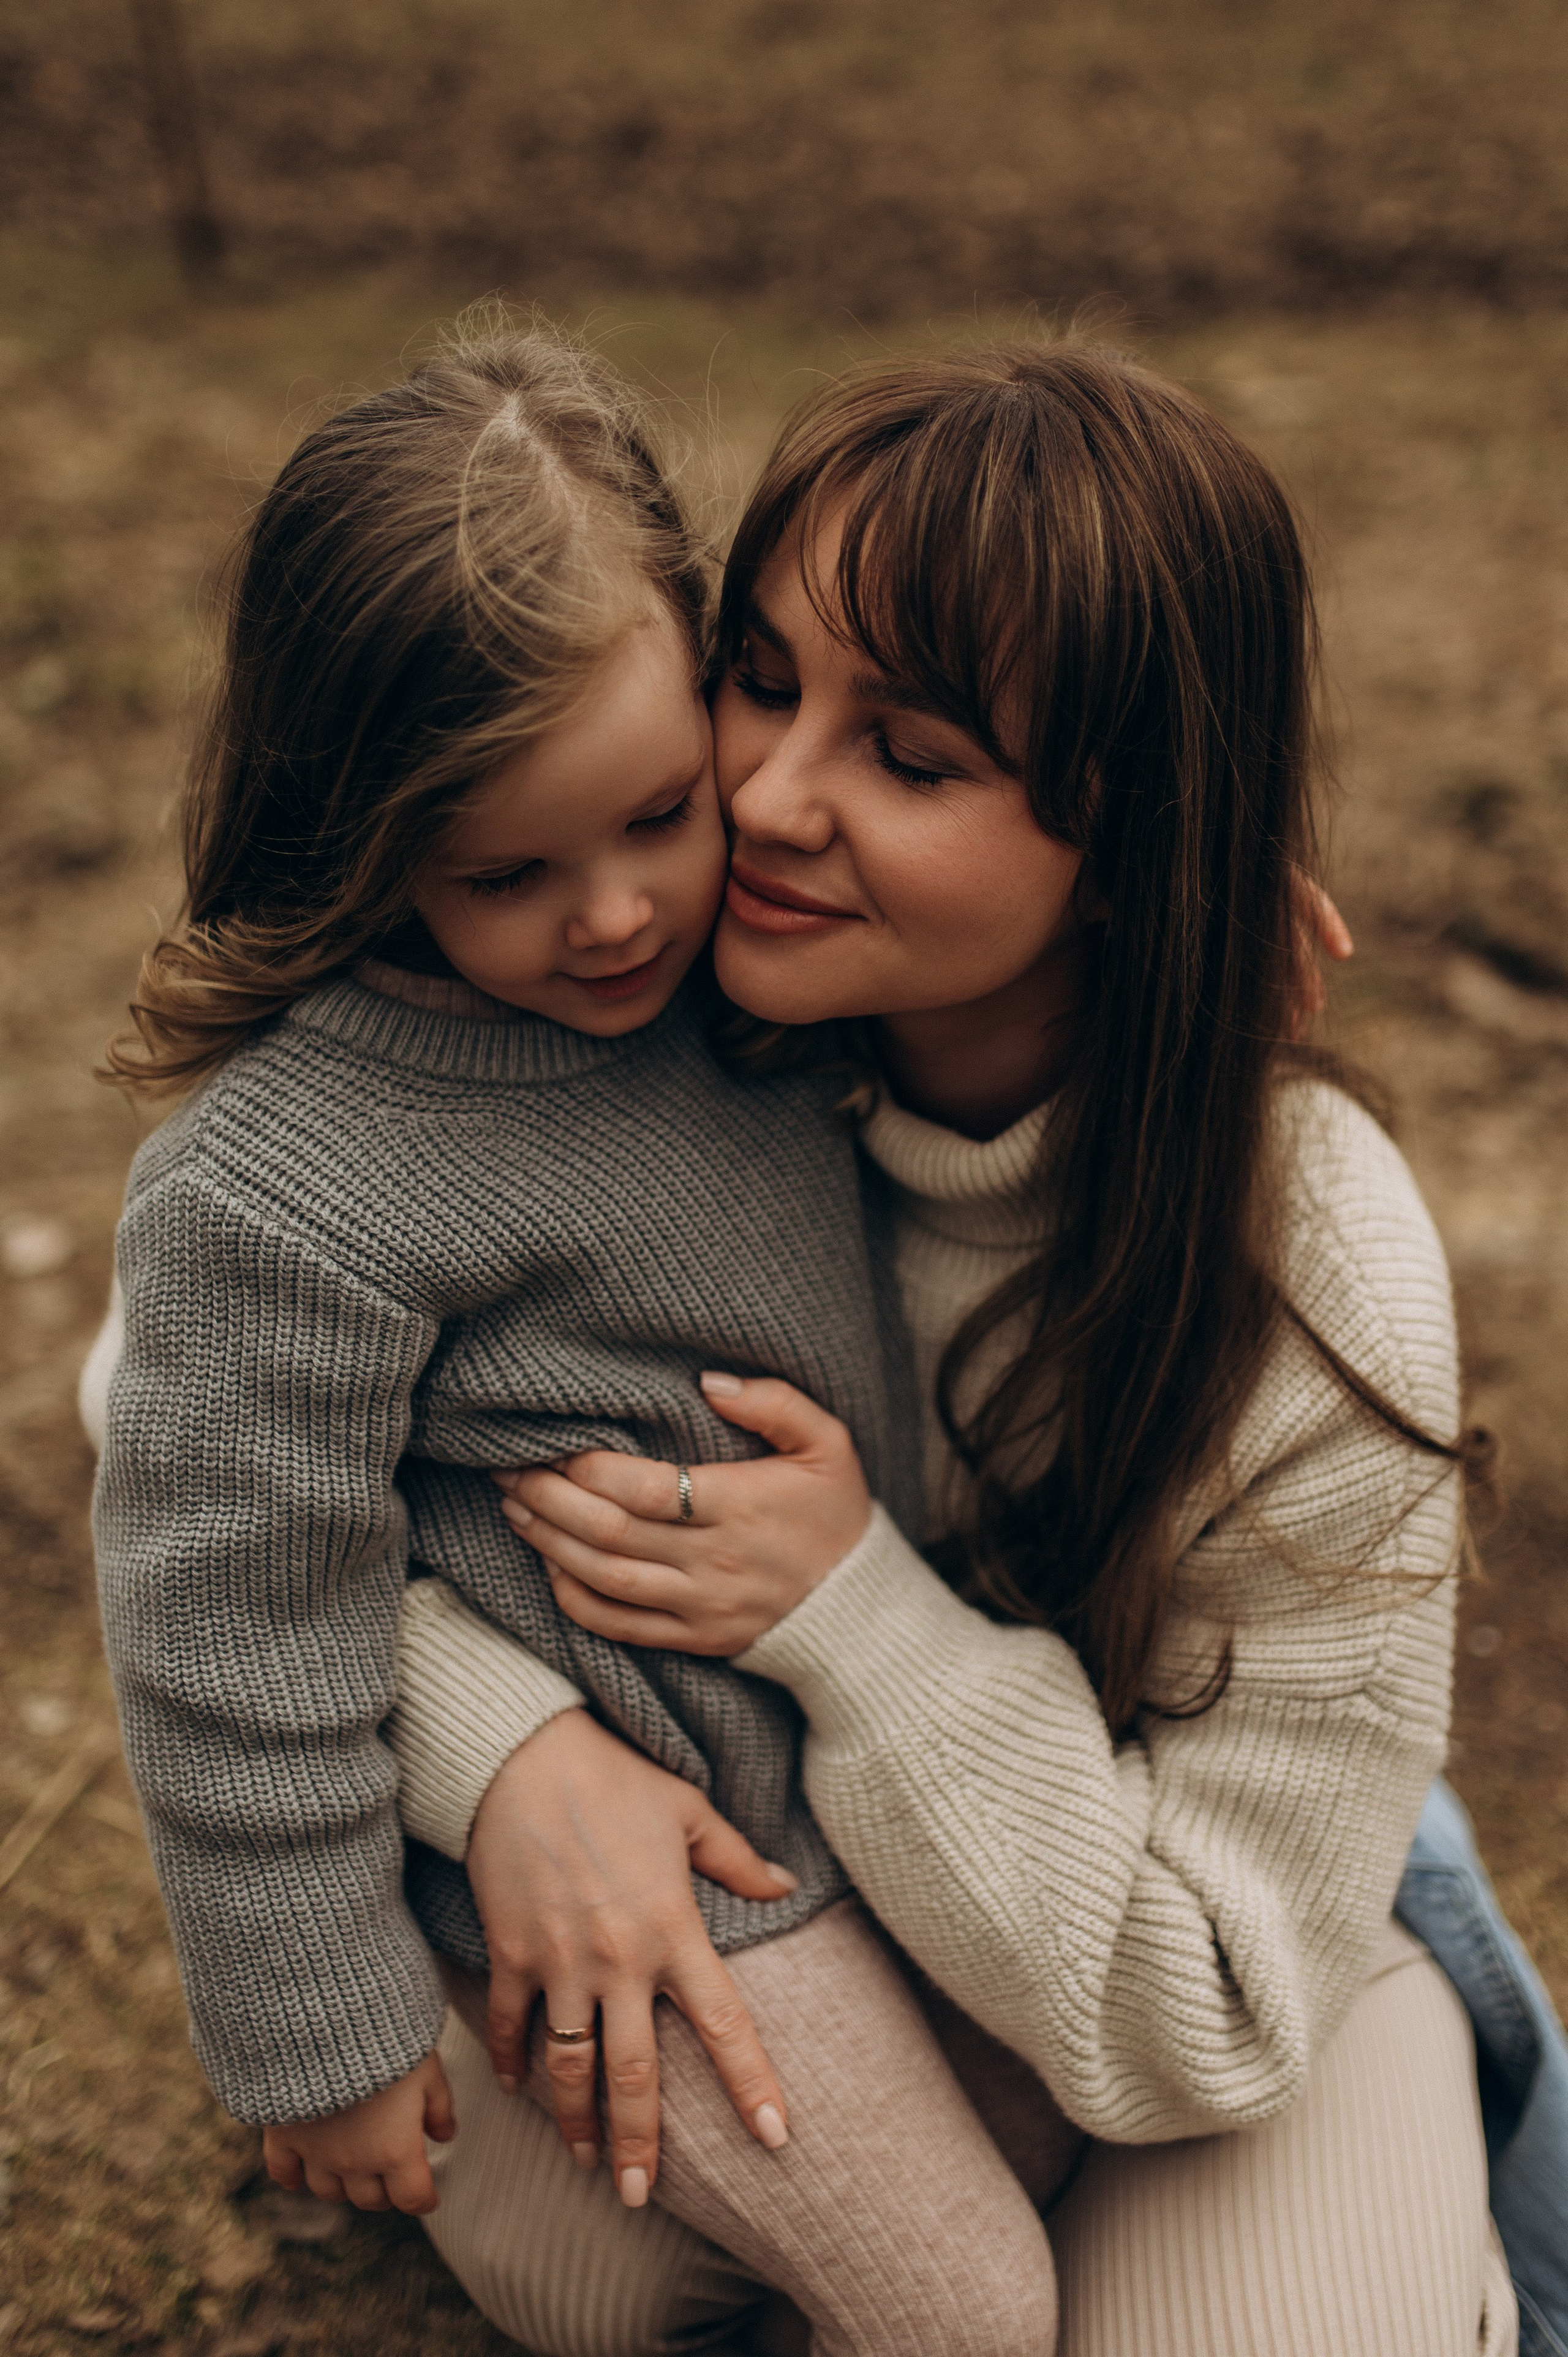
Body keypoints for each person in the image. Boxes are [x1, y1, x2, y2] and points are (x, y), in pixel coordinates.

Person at [380, 339, 1537, 2357]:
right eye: (759, 679)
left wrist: (859, 1620)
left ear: (1135, 852)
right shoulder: (629, 988)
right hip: (776, 1886)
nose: (765, 796)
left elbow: (1207, 2018)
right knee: (618, 2273)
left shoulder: (1305, 1257)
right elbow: (179, 1401)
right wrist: (506, 1758)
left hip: (1193, 1924)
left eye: (911, 759)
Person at [91, 317, 1132, 2357]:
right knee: (972, 2311)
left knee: (1042, 2136)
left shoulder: (745, 988)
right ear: (365, 829)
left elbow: (998, 950)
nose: (614, 919)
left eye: (661, 816)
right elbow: (228, 1629)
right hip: (655, 1881)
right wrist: (316, 2033)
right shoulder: (287, 1185)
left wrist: (1196, 926)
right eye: (507, 871)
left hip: (842, 1774)